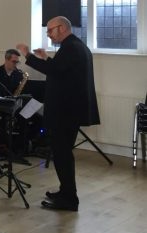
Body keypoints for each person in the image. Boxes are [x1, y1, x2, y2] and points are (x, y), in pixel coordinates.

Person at [16, 16, 100, 212]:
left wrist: (28, 55)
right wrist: (46, 58)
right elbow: (63, 70)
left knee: (62, 155)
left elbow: (54, 70)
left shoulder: (70, 48)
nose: (48, 33)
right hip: (71, 110)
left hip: (65, 111)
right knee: (63, 154)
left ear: (61, 28)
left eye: (50, 30)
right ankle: (66, 192)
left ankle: (69, 199)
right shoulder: (76, 46)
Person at [0, 49, 25, 160]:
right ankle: (2, 150)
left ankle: (19, 149)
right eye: (14, 61)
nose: (16, 64)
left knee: (27, 117)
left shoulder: (19, 75)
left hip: (13, 106)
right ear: (6, 60)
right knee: (2, 119)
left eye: (17, 62)